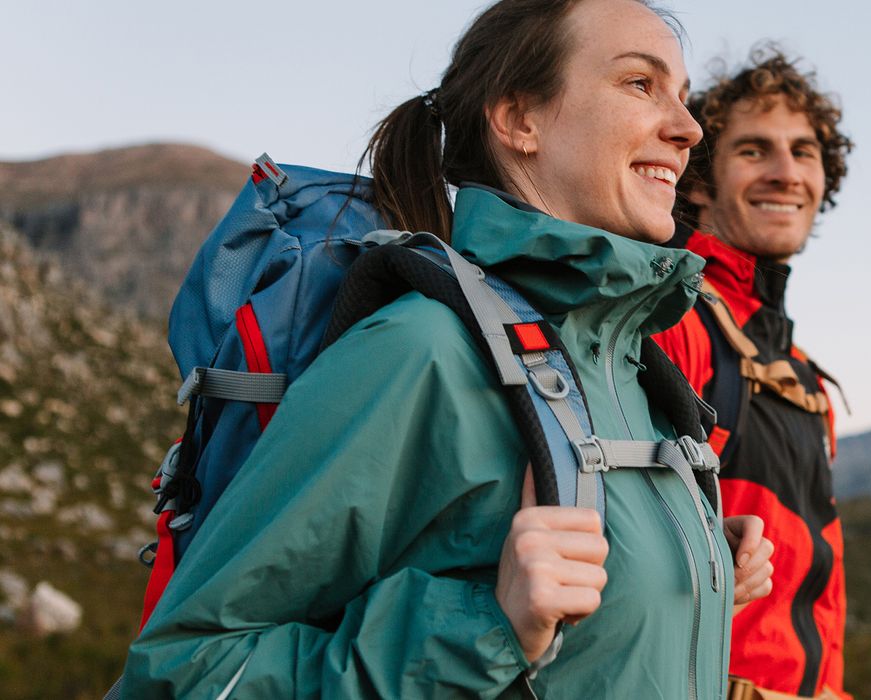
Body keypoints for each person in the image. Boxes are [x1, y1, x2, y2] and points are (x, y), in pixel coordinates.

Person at [121, 0, 773, 697]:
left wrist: (686, 566)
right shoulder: (420, 350)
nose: (688, 128)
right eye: (641, 84)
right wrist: (487, 625)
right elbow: (185, 673)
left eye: (683, 96)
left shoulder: (634, 372)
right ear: (519, 118)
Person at [654, 48, 854, 700]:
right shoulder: (671, 325)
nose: (785, 172)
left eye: (804, 151)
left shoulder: (807, 383)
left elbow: (817, 599)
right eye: (753, 150)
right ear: (700, 181)